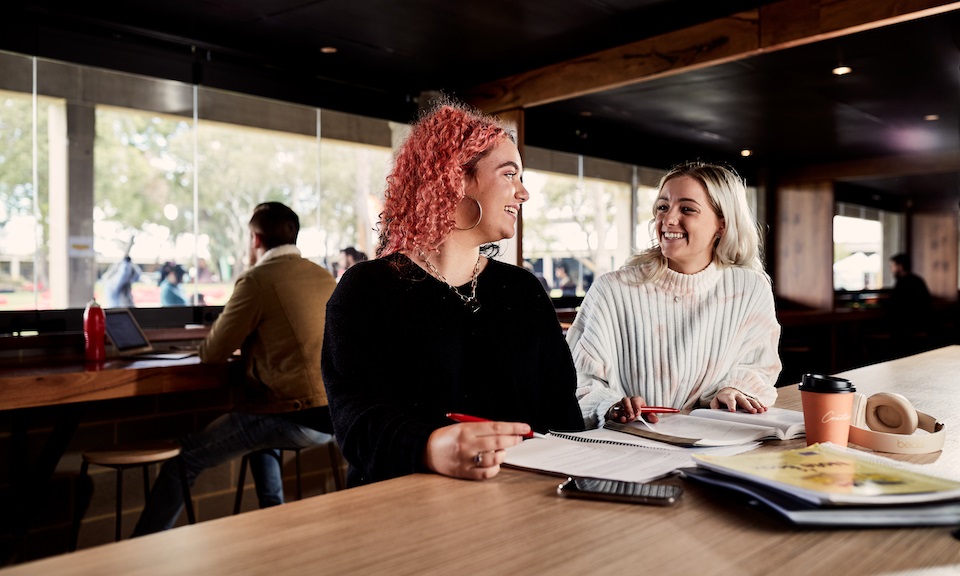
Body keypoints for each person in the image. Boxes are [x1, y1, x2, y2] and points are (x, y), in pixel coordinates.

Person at [322, 98, 583, 487]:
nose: (523, 193)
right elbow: (356, 424)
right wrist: (429, 447)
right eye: (510, 174)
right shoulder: (366, 289)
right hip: (401, 504)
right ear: (455, 178)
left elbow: (563, 416)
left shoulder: (524, 290)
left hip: (524, 502)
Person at [133, 202, 338, 535]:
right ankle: (276, 528)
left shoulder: (258, 279)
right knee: (261, 436)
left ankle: (137, 550)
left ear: (255, 239)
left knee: (184, 459)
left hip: (292, 415)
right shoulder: (321, 275)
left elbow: (213, 353)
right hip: (333, 417)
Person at [566, 161, 782, 428]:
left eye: (687, 209)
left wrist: (734, 389)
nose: (668, 219)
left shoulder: (750, 288)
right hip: (628, 442)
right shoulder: (611, 290)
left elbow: (759, 365)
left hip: (713, 438)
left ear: (722, 224)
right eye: (662, 207)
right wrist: (609, 405)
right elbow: (577, 380)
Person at [887, 252, 932, 341]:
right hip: (921, 325)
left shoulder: (902, 283)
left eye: (892, 266)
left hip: (905, 329)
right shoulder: (918, 280)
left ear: (900, 266)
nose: (892, 270)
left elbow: (894, 307)